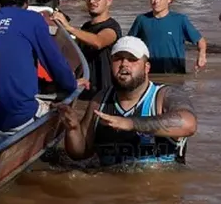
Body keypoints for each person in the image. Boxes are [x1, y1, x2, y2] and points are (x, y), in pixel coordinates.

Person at [61, 36, 197, 166]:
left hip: (157, 186)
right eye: (118, 59)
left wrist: (130, 123)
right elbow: (80, 153)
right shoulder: (100, 100)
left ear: (147, 67)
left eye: (132, 59)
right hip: (111, 183)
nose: (124, 64)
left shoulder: (164, 95)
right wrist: (73, 128)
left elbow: (188, 124)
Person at [0, 0, 79, 137]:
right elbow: (55, 64)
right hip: (20, 117)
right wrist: (73, 85)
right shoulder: (32, 20)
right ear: (27, 0)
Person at [50, 0, 121, 89]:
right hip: (84, 88)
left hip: (104, 92)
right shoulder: (85, 27)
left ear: (109, 1)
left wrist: (69, 28)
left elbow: (99, 42)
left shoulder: (112, 27)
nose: (92, 1)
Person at [128, 0, 207, 74]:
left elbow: (200, 41)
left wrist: (202, 55)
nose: (156, 1)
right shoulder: (142, 20)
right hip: (150, 74)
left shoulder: (180, 20)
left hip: (175, 74)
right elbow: (129, 45)